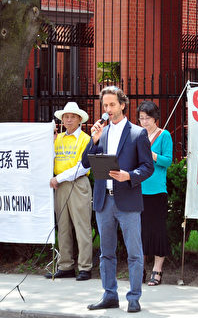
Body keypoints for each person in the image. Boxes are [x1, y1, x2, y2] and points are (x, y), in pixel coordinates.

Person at [82, 86, 154, 313]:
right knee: (106, 252)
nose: (108, 109)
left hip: (128, 201)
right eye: (105, 105)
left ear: (123, 105)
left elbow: (148, 167)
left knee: (134, 252)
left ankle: (134, 297)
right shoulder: (101, 133)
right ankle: (109, 294)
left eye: (112, 104)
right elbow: (85, 163)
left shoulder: (137, 133)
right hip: (104, 201)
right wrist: (93, 141)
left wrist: (129, 176)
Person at [44, 101, 93, 281]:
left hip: (77, 183)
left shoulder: (85, 139)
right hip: (60, 185)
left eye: (72, 117)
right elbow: (50, 157)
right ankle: (65, 266)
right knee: (63, 226)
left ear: (79, 119)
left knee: (82, 226)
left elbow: (82, 167)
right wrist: (51, 140)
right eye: (66, 117)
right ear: (62, 119)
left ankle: (85, 267)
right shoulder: (59, 139)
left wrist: (59, 178)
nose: (69, 119)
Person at [136, 100, 173, 286]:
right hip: (138, 190)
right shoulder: (137, 135)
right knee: (140, 230)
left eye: (147, 118)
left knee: (157, 230)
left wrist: (152, 154)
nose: (144, 122)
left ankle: (157, 270)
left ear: (155, 118)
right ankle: (139, 268)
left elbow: (168, 161)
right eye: (141, 118)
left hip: (157, 190)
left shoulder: (164, 135)